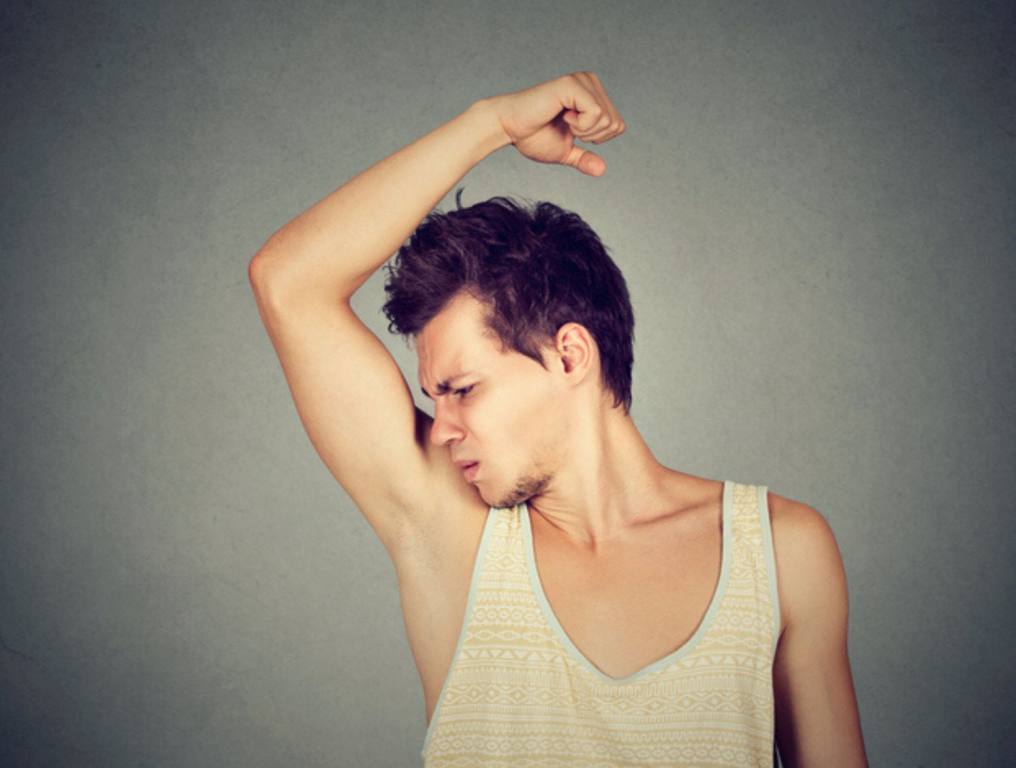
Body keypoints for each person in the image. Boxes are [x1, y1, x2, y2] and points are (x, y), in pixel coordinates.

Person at [247, 71, 868, 767]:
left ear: (570, 355)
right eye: (436, 395)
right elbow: (288, 281)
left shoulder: (781, 553)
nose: (441, 425)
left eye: (463, 389)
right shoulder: (452, 530)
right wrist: (491, 124)